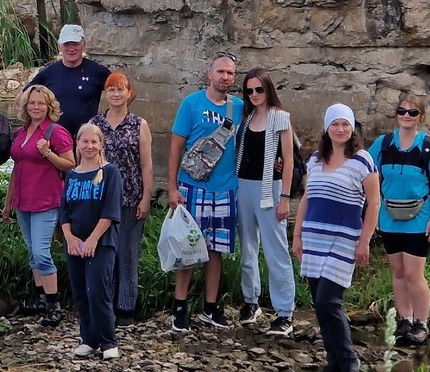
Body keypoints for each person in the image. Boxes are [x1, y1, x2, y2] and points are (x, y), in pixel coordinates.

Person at [293, 104, 381, 372]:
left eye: (345, 124)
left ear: (352, 128)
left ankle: (349, 359)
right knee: (319, 305)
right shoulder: (316, 159)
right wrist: (297, 235)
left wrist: (364, 240)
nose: (340, 129)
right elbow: (307, 198)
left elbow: (374, 203)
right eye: (335, 124)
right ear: (327, 128)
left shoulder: (363, 161)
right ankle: (333, 361)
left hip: (344, 240)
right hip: (314, 237)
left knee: (328, 301)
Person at [166, 52, 245, 332]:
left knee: (216, 251)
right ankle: (179, 307)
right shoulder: (192, 104)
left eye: (231, 73)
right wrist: (172, 187)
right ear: (209, 74)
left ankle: (210, 308)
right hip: (193, 187)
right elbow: (176, 145)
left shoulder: (239, 107)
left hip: (226, 190)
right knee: (188, 248)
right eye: (221, 72)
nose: (226, 77)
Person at [368, 92, 430, 347]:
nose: (406, 116)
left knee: (415, 274)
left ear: (420, 117)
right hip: (390, 216)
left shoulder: (428, 147)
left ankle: (422, 324)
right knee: (399, 271)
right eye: (402, 111)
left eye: (412, 113)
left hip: (418, 217)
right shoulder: (384, 143)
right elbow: (367, 170)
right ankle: (405, 320)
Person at [3, 84, 76, 327]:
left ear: (49, 107)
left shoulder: (55, 132)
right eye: (32, 103)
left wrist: (48, 154)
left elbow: (70, 164)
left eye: (41, 103)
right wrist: (7, 201)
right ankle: (39, 298)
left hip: (46, 199)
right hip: (23, 199)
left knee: (42, 252)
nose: (36, 107)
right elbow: (17, 167)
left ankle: (54, 305)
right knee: (32, 249)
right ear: (26, 106)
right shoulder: (22, 132)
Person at [233, 68, 297, 337]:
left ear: (268, 89)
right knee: (247, 248)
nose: (255, 94)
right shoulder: (246, 118)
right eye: (249, 90)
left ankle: (285, 312)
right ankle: (251, 301)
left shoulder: (280, 117)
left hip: (269, 186)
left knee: (275, 249)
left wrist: (285, 196)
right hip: (243, 185)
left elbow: (289, 159)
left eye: (259, 89)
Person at [91, 71, 153, 327]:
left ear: (130, 93)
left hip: (130, 196)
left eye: (120, 90)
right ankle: (104, 305)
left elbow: (146, 165)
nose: (116, 94)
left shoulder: (139, 124)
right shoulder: (96, 123)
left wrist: (146, 198)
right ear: (106, 94)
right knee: (104, 254)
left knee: (128, 253)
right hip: (101, 198)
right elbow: (87, 160)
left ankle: (126, 307)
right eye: (111, 90)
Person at [60, 122, 124, 360]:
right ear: (77, 144)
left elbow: (110, 212)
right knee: (81, 293)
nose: (89, 146)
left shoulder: (110, 173)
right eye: (84, 141)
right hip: (75, 243)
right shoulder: (73, 175)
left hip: (102, 242)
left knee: (98, 291)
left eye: (93, 142)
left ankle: (108, 341)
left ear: (100, 145)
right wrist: (70, 238)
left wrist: (93, 240)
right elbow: (64, 212)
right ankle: (89, 339)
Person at [27, 24, 111, 139]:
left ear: (84, 45)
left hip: (87, 139)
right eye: (66, 44)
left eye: (75, 44)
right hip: (55, 137)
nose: (71, 49)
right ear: (59, 47)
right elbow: (22, 99)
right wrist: (38, 121)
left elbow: (126, 92)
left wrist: (109, 119)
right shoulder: (49, 72)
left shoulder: (97, 71)